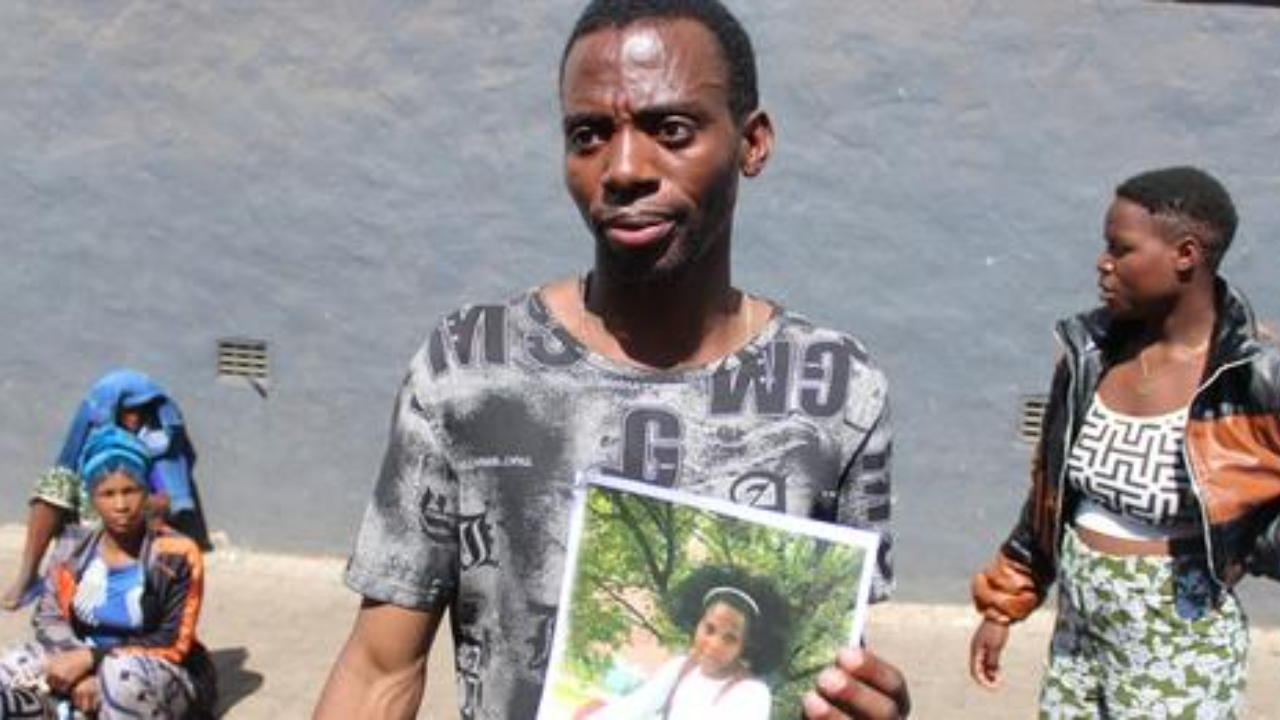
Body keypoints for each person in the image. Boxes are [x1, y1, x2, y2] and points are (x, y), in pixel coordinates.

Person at [314, 1, 909, 718]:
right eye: (589, 134)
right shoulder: (471, 369)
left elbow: (826, 662)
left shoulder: (836, 390)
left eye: (672, 130)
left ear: (752, 144)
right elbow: (380, 670)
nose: (624, 168)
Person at [969, 167, 1280, 717]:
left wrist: (1246, 549)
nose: (1102, 262)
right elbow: (1049, 492)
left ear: (1186, 254)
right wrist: (1004, 604)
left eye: (1122, 248)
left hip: (1177, 638)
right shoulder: (1089, 356)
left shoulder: (1253, 372)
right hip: (1080, 630)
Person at [0, 426, 217, 719]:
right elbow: (49, 618)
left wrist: (93, 660)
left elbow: (172, 641)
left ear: (146, 493)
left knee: (120, 676)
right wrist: (77, 670)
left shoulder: (176, 553)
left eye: (131, 491)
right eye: (107, 494)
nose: (121, 505)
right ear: (92, 498)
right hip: (82, 658)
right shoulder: (72, 548)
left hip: (156, 671)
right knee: (11, 666)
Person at [1, 368, 209, 611]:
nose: (133, 418)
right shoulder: (96, 438)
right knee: (55, 482)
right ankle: (27, 575)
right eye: (127, 410)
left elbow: (169, 500)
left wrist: (138, 502)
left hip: (132, 514)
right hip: (92, 507)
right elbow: (70, 471)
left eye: (140, 411)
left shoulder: (156, 442)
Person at [588, 566, 790, 719]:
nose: (713, 644)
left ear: (745, 645)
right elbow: (633, 708)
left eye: (730, 638)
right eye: (709, 629)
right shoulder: (681, 668)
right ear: (697, 623)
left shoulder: (752, 695)